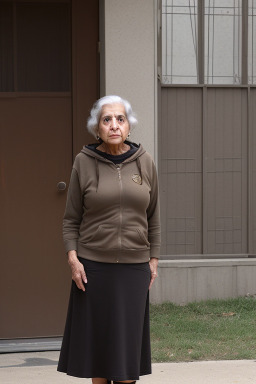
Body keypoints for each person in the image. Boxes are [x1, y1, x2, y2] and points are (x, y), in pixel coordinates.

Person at [57, 95, 161, 384]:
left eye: (120, 119)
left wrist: (153, 259)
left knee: (126, 362)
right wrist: (73, 258)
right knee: (99, 360)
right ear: (97, 128)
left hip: (133, 270)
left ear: (128, 126)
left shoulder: (145, 163)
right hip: (93, 270)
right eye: (107, 120)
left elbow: (154, 217)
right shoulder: (84, 162)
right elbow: (71, 219)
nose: (114, 125)